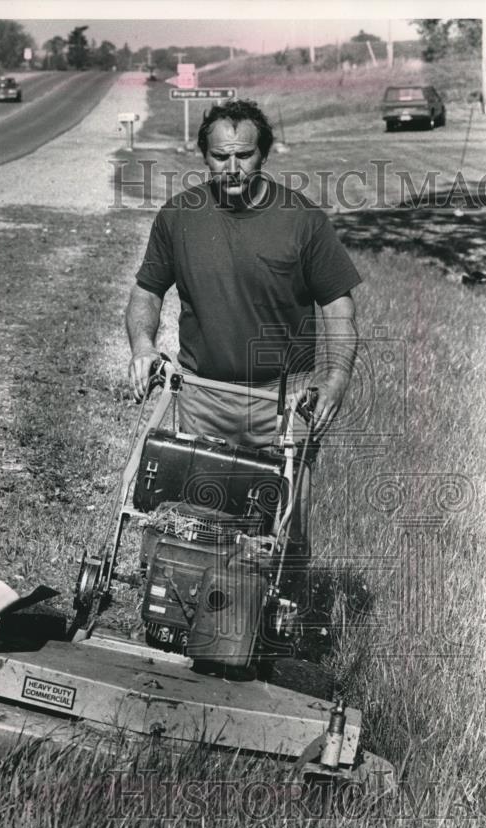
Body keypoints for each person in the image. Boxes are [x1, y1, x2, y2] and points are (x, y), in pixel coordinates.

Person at [125, 98, 361, 584]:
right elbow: (147, 291)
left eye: (244, 156)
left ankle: (280, 636)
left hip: (285, 402)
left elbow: (339, 306)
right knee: (198, 525)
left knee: (282, 532)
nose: (232, 168)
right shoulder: (179, 217)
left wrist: (335, 377)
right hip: (204, 396)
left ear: (263, 155)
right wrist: (143, 347)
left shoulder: (303, 220)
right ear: (204, 157)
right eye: (219, 157)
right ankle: (185, 625)